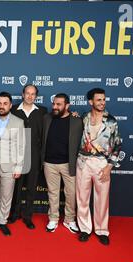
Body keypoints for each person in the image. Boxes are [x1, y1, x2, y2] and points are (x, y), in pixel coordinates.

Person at [76, 88, 122, 245]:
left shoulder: (111, 121)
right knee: (82, 197)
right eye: (99, 100)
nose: (102, 102)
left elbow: (117, 146)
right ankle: (85, 229)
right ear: (91, 102)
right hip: (83, 162)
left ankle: (102, 230)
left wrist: (109, 167)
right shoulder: (84, 118)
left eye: (103, 99)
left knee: (102, 198)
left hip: (102, 163)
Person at [41, 93, 83, 234]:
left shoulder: (77, 121)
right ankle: (53, 218)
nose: (55, 107)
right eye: (54, 104)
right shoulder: (47, 118)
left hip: (68, 163)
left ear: (67, 105)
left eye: (59, 104)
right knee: (53, 193)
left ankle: (69, 220)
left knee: (71, 193)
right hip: (49, 163)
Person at [0, 92, 25, 236]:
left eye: (5, 103)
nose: (2, 106)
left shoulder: (18, 122)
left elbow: (21, 146)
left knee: (6, 196)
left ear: (10, 105)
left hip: (10, 165)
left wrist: (19, 166)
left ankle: (3, 221)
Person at [9, 84, 47, 229]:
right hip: (16, 157)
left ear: (36, 96)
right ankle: (14, 214)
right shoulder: (13, 110)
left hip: (34, 156)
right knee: (16, 187)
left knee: (31, 188)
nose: (30, 96)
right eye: (27, 93)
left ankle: (28, 217)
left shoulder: (42, 111)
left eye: (33, 94)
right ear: (23, 94)